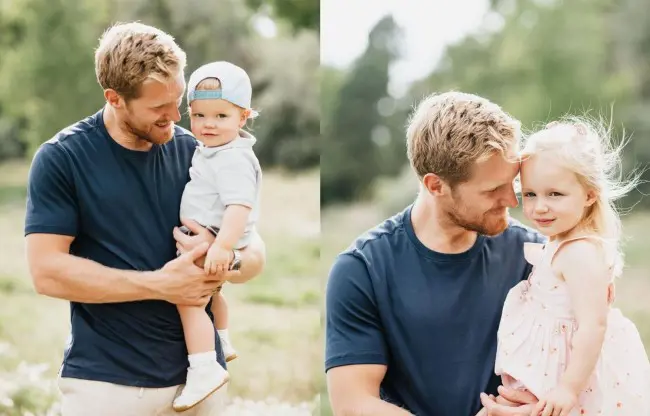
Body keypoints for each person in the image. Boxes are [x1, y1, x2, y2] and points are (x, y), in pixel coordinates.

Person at [24, 22, 265, 416]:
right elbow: (46, 272)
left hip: (201, 383)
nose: (176, 116)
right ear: (115, 98)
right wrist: (162, 285)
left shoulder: (200, 152)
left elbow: (255, 251)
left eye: (178, 100)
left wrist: (225, 257)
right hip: (106, 388)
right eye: (158, 108)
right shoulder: (62, 159)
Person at [324, 91, 547, 415]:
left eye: (510, 183)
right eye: (491, 190)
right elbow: (354, 404)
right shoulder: (362, 270)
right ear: (435, 185)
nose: (512, 202)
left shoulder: (538, 257)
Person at [478, 119, 650, 415]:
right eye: (530, 194)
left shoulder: (580, 252)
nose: (539, 207)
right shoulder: (560, 243)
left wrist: (568, 388)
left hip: (569, 375)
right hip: (550, 366)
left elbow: (593, 325)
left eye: (554, 194)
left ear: (589, 194)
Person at [172, 61, 263, 411]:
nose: (208, 124)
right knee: (212, 293)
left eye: (221, 116)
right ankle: (221, 339)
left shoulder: (233, 159)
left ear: (243, 117)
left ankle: (204, 366)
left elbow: (239, 205)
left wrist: (222, 245)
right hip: (212, 234)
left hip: (214, 236)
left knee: (188, 297)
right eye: (199, 115)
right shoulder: (217, 149)